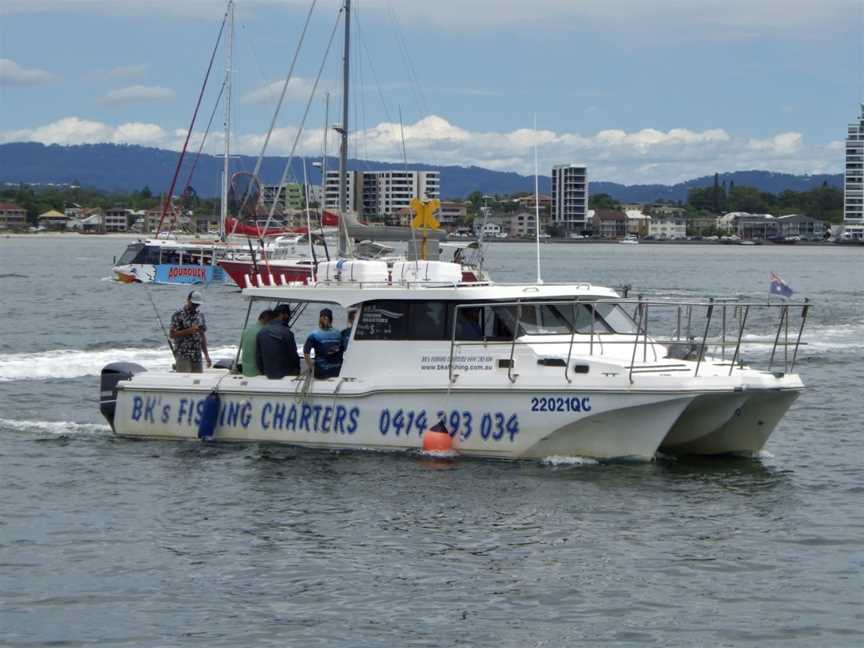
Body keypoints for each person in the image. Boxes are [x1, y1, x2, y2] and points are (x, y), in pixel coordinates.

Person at [169, 290, 211, 373]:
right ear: (188, 300)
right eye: (193, 304)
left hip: (197, 355)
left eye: (197, 304)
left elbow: (202, 336)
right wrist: (188, 331)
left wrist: (206, 356)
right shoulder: (178, 314)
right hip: (183, 354)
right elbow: (172, 335)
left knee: (197, 381)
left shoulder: (200, 315)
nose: (195, 306)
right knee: (184, 381)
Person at [256, 304, 301, 379]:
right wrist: (297, 371)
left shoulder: (261, 332)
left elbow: (258, 357)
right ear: (281, 315)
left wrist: (263, 372)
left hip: (268, 373)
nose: (289, 317)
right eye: (288, 315)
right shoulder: (287, 333)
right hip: (285, 375)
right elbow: (294, 357)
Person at [304, 308, 344, 379]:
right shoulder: (339, 334)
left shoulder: (314, 335)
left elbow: (306, 353)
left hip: (321, 372)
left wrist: (312, 367)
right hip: (337, 372)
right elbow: (342, 351)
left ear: (320, 320)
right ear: (331, 320)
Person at [239, 309, 273, 377]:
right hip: (258, 373)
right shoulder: (265, 333)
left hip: (245, 371)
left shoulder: (246, 331)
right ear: (268, 320)